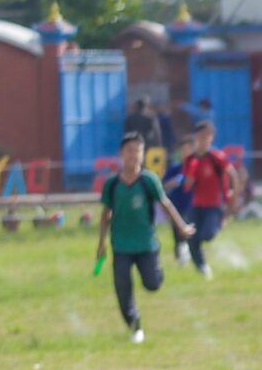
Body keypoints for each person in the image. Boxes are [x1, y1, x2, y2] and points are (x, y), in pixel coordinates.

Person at [96, 132, 196, 343]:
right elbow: (105, 215)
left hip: (146, 244)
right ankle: (135, 327)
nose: (133, 155)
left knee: (152, 284)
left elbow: (165, 204)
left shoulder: (148, 180)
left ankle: (157, 272)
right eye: (129, 151)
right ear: (121, 154)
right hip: (121, 246)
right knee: (123, 290)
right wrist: (101, 243)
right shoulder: (112, 184)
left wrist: (181, 227)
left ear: (143, 155)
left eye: (138, 151)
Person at [175, 121, 238, 278]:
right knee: (191, 236)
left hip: (215, 205)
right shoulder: (190, 160)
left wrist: (233, 196)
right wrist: (190, 175)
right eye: (200, 136)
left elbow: (233, 175)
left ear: (211, 137)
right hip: (197, 204)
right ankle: (202, 266)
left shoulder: (217, 157)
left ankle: (218, 224)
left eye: (206, 136)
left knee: (207, 235)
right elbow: (187, 186)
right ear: (195, 137)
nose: (203, 139)